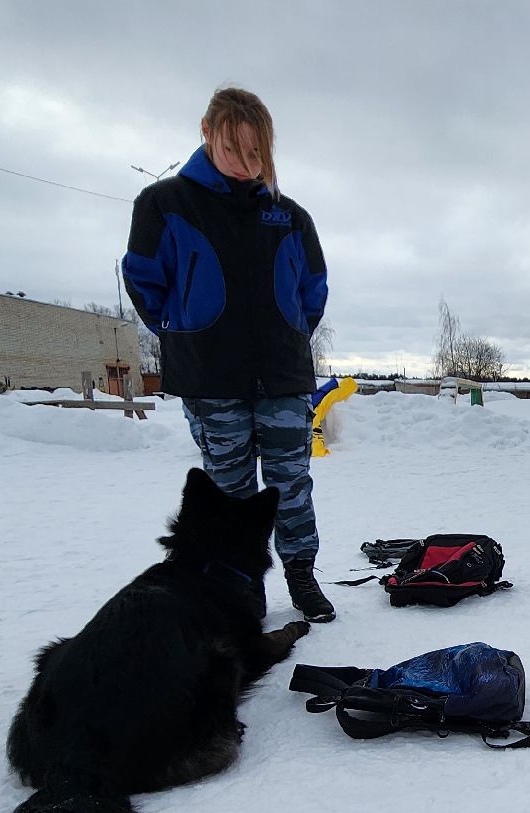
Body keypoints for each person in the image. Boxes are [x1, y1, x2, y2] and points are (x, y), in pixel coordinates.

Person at [122, 87, 334, 622]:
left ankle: (301, 574)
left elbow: (312, 290)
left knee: (291, 485)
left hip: (282, 377)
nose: (246, 162)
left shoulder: (290, 216)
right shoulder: (165, 204)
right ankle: (244, 586)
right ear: (206, 132)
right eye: (233, 148)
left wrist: (289, 335)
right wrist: (186, 333)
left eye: (257, 152)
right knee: (230, 491)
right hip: (211, 379)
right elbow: (145, 281)